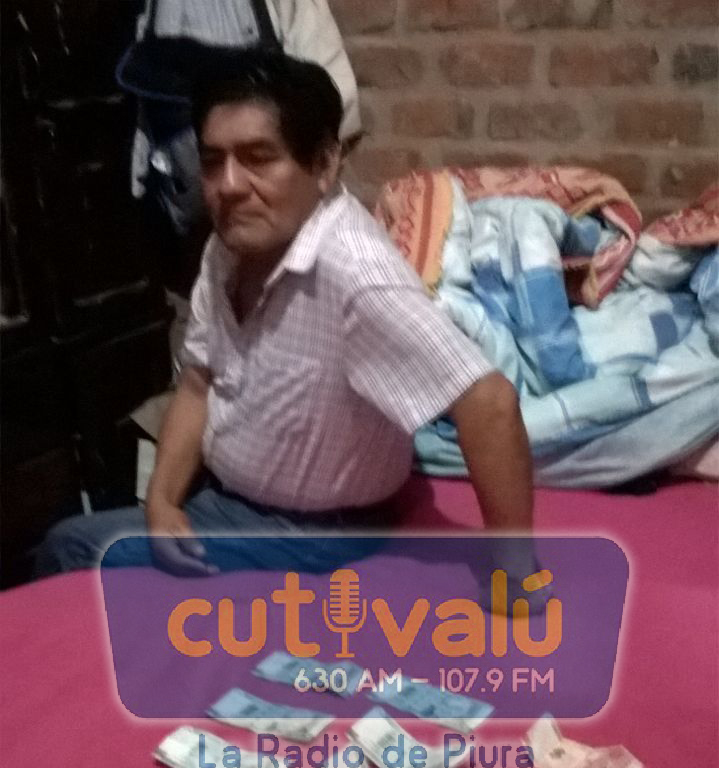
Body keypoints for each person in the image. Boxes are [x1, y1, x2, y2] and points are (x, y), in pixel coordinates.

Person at [37, 48, 534, 582]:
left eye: (258, 158)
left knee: (70, 548)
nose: (228, 185)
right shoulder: (229, 247)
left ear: (323, 164)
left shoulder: (356, 273)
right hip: (228, 499)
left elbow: (489, 403)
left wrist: (514, 572)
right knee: (90, 532)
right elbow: (199, 383)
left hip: (309, 530)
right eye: (213, 161)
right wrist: (161, 502)